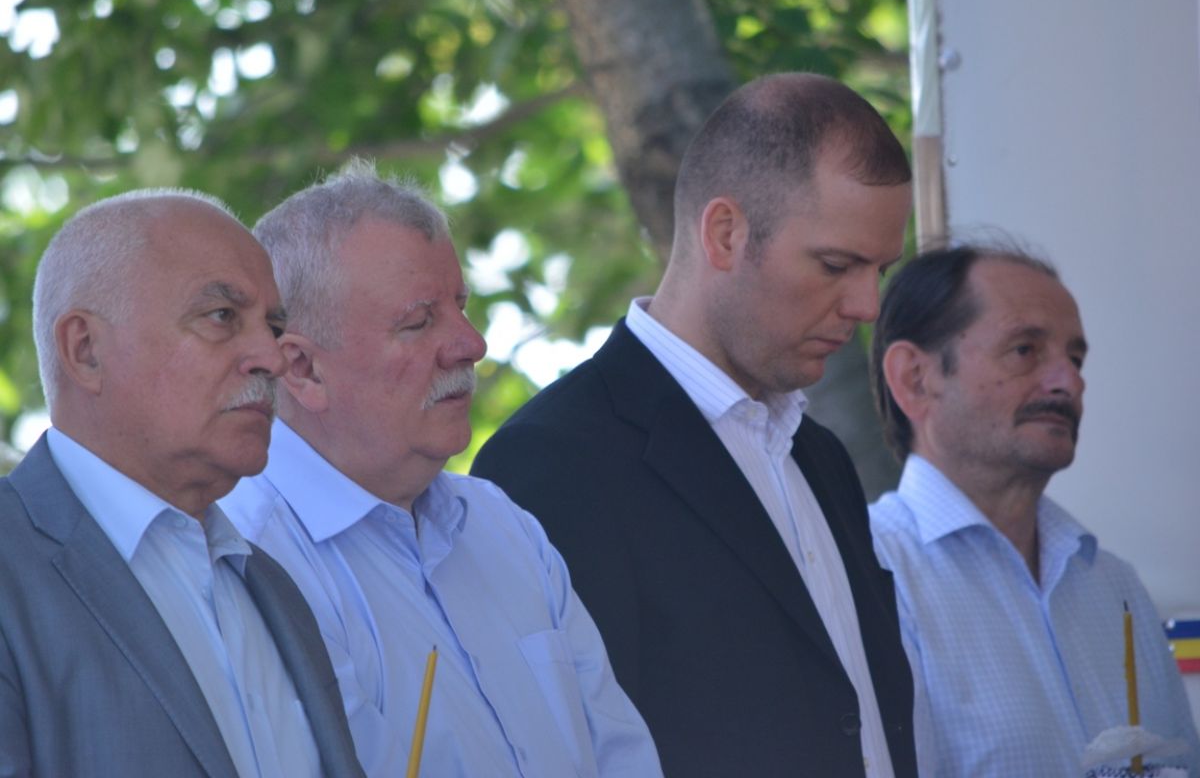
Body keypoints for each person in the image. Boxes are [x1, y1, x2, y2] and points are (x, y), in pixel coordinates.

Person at [472, 72, 918, 777]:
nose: (867, 305)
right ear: (725, 233)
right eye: (837, 265)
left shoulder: (821, 458)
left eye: (881, 271)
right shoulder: (553, 461)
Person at [221, 162, 662, 778]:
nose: (471, 344)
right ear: (303, 369)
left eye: (461, 306)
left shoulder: (501, 524)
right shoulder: (247, 560)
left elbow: (623, 758)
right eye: (419, 322)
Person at [0, 190, 364, 777]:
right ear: (85, 350)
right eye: (221, 316)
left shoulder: (270, 586)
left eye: (273, 326)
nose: (272, 358)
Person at [868, 242, 1200, 776]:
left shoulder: (1112, 585)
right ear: (916, 378)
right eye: (1025, 350)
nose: (1070, 382)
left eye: (1076, 359)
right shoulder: (868, 573)